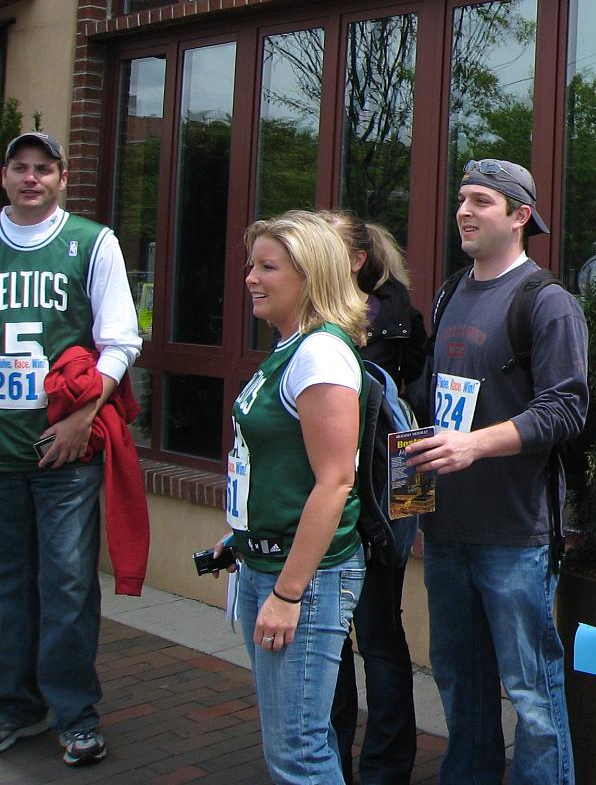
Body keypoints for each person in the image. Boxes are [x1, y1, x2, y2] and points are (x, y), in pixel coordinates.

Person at [403, 158, 588, 785]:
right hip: (448, 526)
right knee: (460, 678)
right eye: (461, 199)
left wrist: (475, 447)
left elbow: (566, 410)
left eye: (481, 201)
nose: (463, 211)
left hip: (515, 535)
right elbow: (437, 394)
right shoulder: (452, 291)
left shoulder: (548, 301)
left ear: (519, 215)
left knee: (531, 692)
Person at [0, 131, 142, 768]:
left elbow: (121, 341)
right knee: (7, 586)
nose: (32, 179)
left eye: (44, 169)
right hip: (2, 453)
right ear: (4, 176)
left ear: (62, 177)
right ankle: (15, 705)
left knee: (66, 583)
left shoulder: (92, 242)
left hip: (64, 449)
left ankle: (75, 712)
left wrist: (85, 418)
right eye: (20, 168)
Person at [218, 210, 369, 785]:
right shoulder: (290, 348)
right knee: (296, 739)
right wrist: (240, 532)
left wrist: (287, 593)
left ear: (309, 276)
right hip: (269, 562)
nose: (251, 278)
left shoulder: (320, 355)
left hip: (303, 578)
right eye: (252, 265)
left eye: (268, 267)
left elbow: (334, 482)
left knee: (299, 751)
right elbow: (277, 465)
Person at [321, 212, 425, 785]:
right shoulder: (322, 312)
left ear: (356, 260)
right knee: (356, 638)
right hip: (372, 500)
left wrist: (408, 515)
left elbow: (412, 415)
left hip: (368, 503)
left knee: (371, 637)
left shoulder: (372, 320)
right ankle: (346, 764)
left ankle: (366, 767)